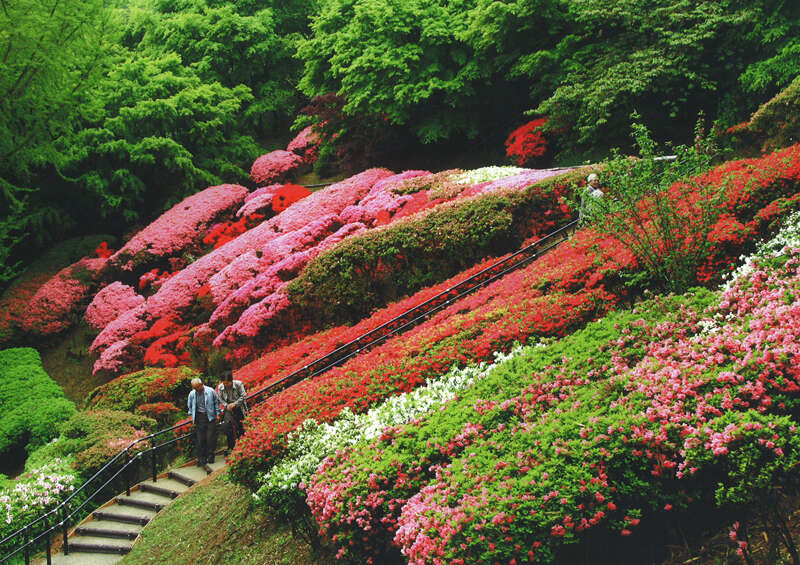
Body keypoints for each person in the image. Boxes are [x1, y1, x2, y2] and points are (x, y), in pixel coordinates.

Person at [187, 377, 221, 467]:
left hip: (210, 416)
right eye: (195, 388)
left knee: (210, 438)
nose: (197, 389)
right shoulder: (192, 394)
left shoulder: (210, 391)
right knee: (200, 439)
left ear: (202, 384)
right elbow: (190, 406)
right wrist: (191, 416)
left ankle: (211, 456)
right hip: (199, 417)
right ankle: (202, 458)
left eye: (198, 387)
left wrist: (218, 414)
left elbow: (216, 402)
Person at [216, 371, 248, 456]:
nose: (226, 384)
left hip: (239, 406)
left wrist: (235, 404)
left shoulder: (238, 384)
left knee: (241, 424)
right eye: (224, 382)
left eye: (227, 382)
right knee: (228, 426)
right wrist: (227, 405)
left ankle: (244, 444)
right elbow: (220, 399)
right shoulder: (221, 387)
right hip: (228, 408)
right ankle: (231, 446)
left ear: (231, 380)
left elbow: (244, 396)